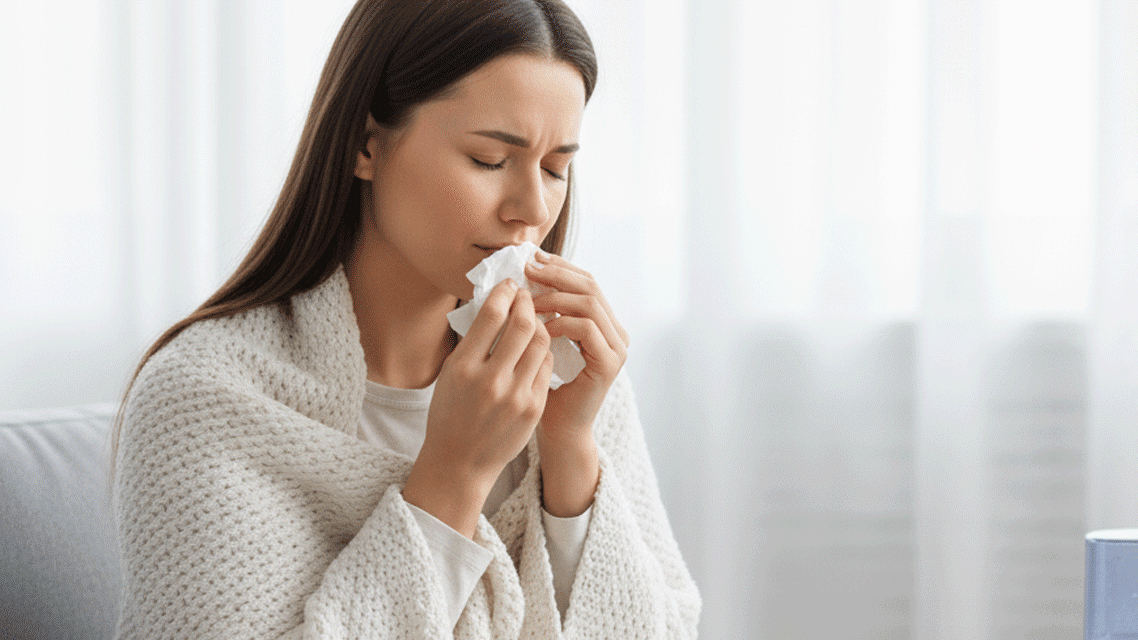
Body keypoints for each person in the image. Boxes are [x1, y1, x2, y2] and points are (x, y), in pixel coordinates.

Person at [111, 0, 701, 637]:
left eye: (556, 168)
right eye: (489, 160)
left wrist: (570, 451)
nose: (533, 207)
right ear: (368, 146)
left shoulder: (565, 370)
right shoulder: (203, 395)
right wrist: (453, 475)